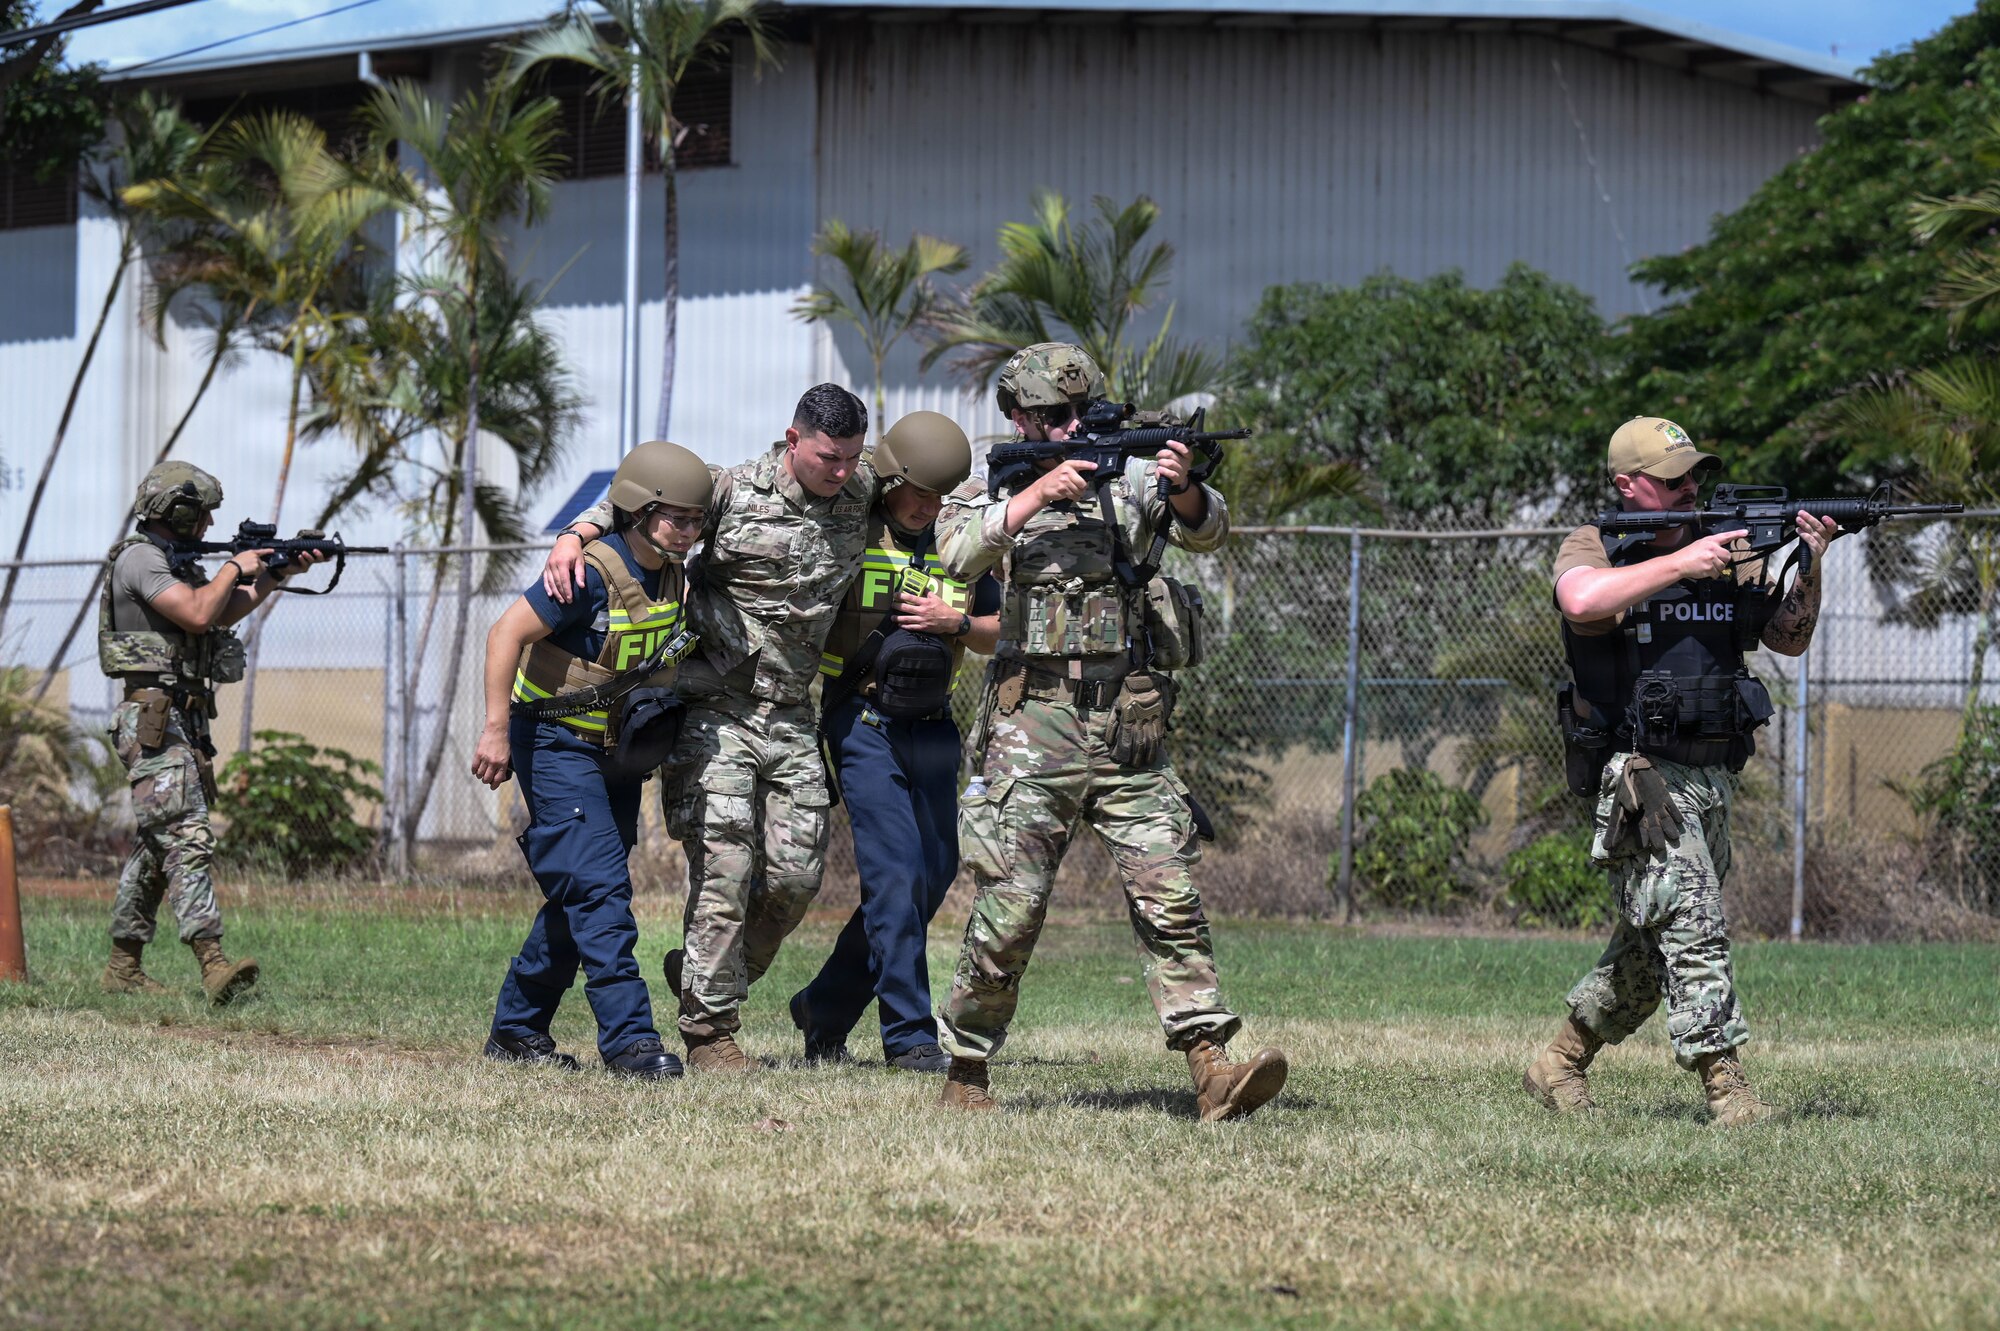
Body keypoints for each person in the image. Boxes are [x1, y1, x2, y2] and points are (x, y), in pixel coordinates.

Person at [928, 343, 1290, 1121]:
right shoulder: (990, 485)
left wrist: (1185, 486)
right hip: (1032, 724)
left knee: (1171, 891)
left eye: (1076, 416)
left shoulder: (1124, 484)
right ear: (1019, 417)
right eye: (1049, 419)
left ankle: (1210, 1066)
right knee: (1011, 907)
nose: (1065, 431)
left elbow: (1208, 531)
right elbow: (955, 554)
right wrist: (1034, 497)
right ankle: (965, 1070)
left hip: (1127, 728)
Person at [545, 385, 874, 1071]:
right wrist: (574, 535)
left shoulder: (860, 491)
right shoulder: (730, 491)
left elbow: (928, 487)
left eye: (850, 458)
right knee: (725, 862)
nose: (839, 471)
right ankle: (709, 1032)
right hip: (715, 704)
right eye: (826, 457)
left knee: (795, 876)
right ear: (792, 440)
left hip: (790, 713)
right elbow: (636, 498)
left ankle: (706, 978)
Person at [1526, 415, 1836, 1126]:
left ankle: (1559, 1061)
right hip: (1640, 773)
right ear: (1628, 485)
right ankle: (1727, 1087)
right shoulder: (1596, 543)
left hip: (1713, 775)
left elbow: (1787, 638)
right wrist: (1683, 561)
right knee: (1695, 921)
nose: (1689, 486)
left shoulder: (1731, 550)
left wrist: (1811, 562)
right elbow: (1580, 599)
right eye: (1672, 479)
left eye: (1694, 473)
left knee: (1648, 945)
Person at [473, 439, 713, 1079]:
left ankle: (517, 1033)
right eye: (677, 519)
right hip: (554, 743)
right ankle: (631, 1042)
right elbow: (504, 635)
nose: (689, 531)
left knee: (578, 893)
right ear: (637, 511)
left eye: (697, 519)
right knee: (603, 894)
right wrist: (495, 732)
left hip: (618, 753)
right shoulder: (586, 573)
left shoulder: (670, 566)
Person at [789, 411, 1000, 1073]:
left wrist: (955, 619)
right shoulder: (851, 526)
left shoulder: (959, 542)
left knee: (929, 878)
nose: (926, 506)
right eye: (916, 490)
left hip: (935, 724)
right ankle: (908, 1035)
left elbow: (1005, 630)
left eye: (940, 495)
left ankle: (823, 1005)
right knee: (896, 875)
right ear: (890, 478)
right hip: (863, 721)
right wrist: (583, 529)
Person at [98, 462, 325, 1003]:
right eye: (202, 512)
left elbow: (225, 611)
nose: (208, 522)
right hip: (152, 718)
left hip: (181, 718)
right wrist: (233, 567)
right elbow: (199, 613)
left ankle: (122, 968)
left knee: (159, 845)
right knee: (187, 836)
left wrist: (277, 571)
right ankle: (212, 963)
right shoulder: (141, 560)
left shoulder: (174, 562)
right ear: (175, 511)